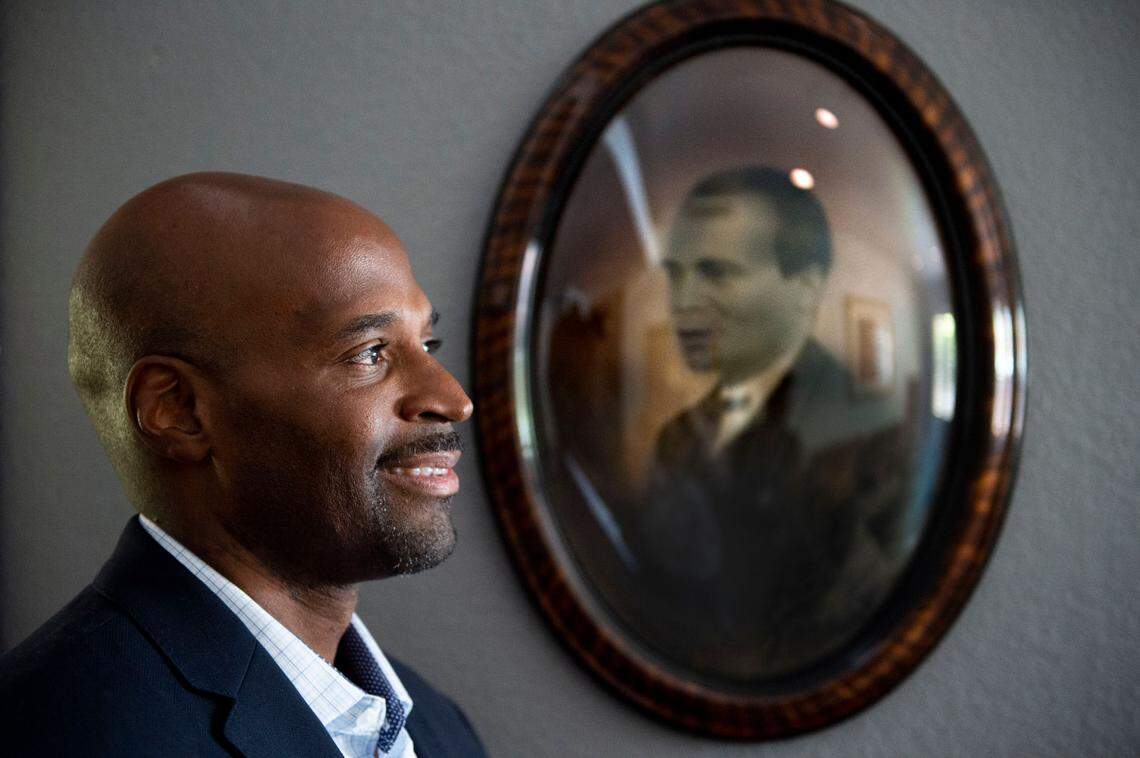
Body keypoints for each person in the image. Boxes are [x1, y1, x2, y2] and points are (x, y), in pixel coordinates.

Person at [0, 172, 487, 757]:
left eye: (428, 346)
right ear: (178, 411)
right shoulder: (57, 733)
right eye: (368, 353)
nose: (454, 399)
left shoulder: (434, 725)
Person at [627, 166, 912, 681]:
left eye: (716, 272)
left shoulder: (873, 437)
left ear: (804, 289)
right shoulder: (676, 437)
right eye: (675, 274)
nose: (683, 302)